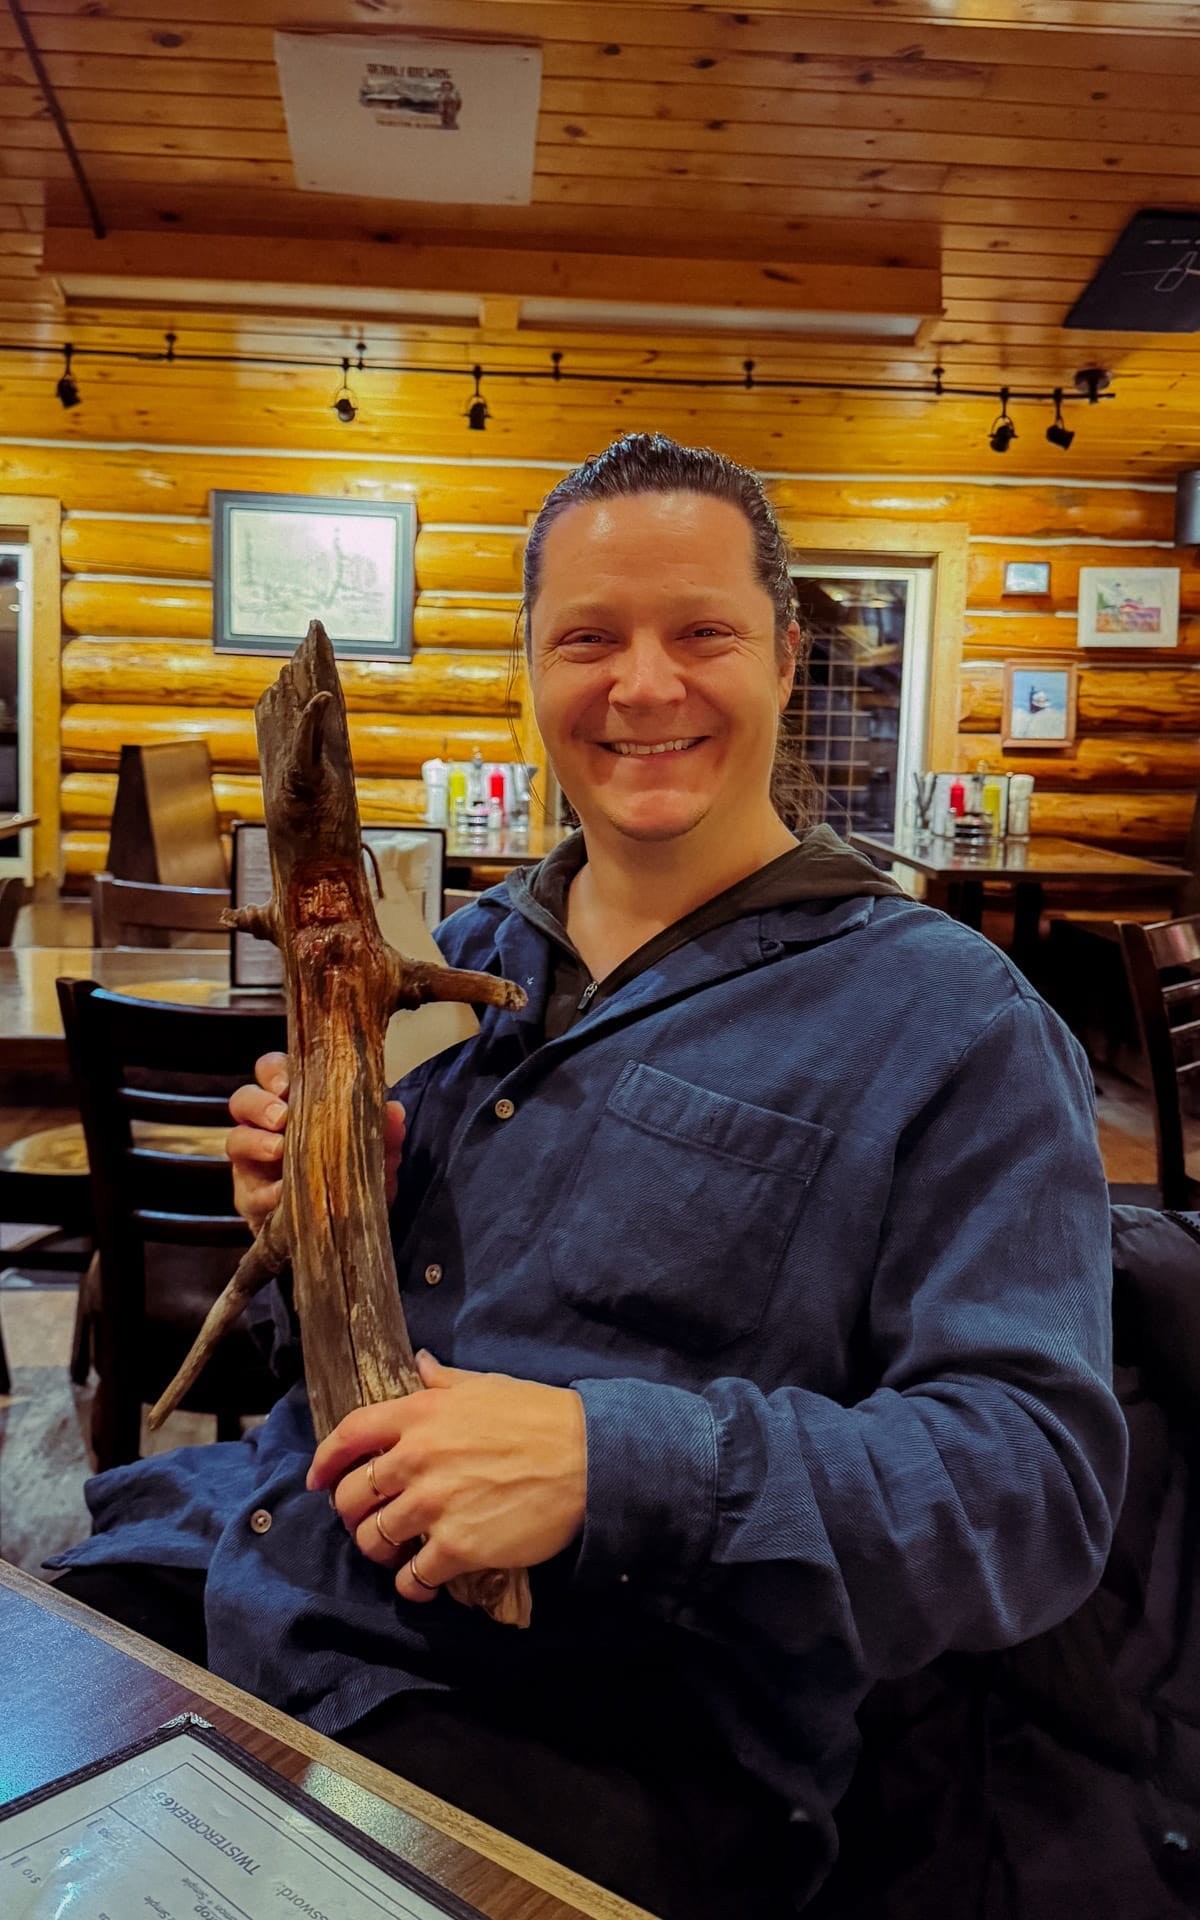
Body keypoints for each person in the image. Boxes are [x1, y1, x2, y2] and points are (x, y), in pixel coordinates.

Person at [50, 433, 1128, 1920]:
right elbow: (337, 1370)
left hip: (596, 1733)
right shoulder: (459, 958)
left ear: (786, 654)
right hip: (234, 1560)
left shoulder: (954, 1023)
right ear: (532, 666)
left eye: (703, 633)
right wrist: (312, 1231)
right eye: (589, 639)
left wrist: (611, 1466)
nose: (644, 686)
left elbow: (1034, 1488)